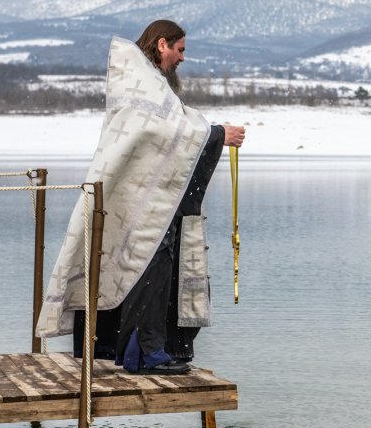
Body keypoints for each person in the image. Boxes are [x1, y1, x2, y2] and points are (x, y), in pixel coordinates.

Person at [34, 19, 245, 375]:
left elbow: (172, 126)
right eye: (179, 50)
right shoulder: (141, 83)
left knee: (149, 269)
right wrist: (218, 134)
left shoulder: (147, 83)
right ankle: (144, 351)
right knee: (146, 269)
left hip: (145, 198)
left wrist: (208, 133)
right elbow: (164, 129)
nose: (182, 59)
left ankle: (144, 348)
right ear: (162, 45)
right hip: (139, 202)